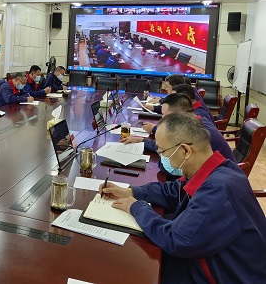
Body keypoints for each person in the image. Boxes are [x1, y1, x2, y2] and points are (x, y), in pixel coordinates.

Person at [102, 112, 266, 284]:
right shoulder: (217, 169)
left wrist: (136, 207)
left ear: (185, 151)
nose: (163, 158)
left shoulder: (217, 190)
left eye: (163, 152)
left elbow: (177, 240)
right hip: (207, 260)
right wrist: (131, 192)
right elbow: (174, 191)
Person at [122, 94, 236, 177]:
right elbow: (168, 148)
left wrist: (162, 156)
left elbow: (169, 169)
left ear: (179, 115)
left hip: (219, 178)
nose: (162, 120)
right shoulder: (196, 122)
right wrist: (142, 141)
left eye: (165, 116)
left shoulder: (197, 132)